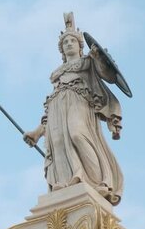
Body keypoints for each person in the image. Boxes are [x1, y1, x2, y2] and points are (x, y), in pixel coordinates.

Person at [23, 13, 123, 205]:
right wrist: (37, 133)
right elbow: (48, 112)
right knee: (58, 141)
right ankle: (65, 181)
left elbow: (108, 75)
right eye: (65, 42)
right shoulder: (57, 74)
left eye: (72, 41)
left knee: (77, 134)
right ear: (61, 49)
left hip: (79, 102)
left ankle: (97, 182)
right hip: (57, 106)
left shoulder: (88, 62)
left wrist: (99, 58)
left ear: (80, 46)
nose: (69, 44)